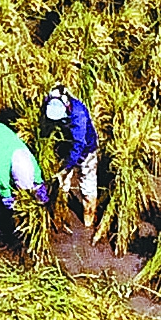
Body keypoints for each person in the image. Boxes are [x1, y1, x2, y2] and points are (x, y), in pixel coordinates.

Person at [43, 85, 101, 228]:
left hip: (86, 149)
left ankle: (89, 216)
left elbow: (79, 145)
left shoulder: (78, 115)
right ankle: (60, 212)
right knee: (62, 184)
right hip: (66, 145)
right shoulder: (50, 102)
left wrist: (68, 166)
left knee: (87, 182)